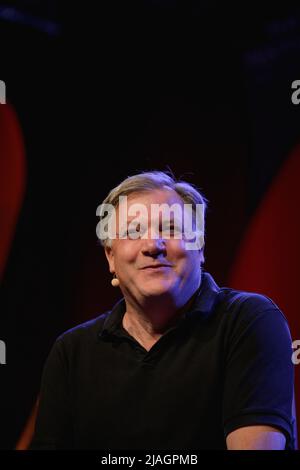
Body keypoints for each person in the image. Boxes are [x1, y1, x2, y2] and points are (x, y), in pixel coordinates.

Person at [31, 171, 295, 450]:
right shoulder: (72, 351)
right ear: (110, 257)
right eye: (133, 232)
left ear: (200, 245)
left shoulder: (250, 322)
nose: (152, 246)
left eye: (170, 229)